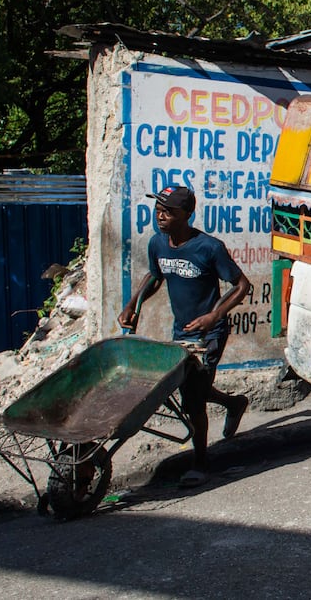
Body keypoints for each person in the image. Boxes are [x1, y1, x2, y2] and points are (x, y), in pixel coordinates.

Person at [117, 186, 252, 487]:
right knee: (193, 391)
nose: (160, 216)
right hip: (182, 330)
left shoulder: (208, 247)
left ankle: (200, 464)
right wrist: (133, 305)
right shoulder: (157, 244)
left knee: (193, 397)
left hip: (209, 332)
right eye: (158, 210)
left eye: (168, 211)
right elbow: (154, 276)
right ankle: (233, 404)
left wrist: (214, 316)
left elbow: (242, 285)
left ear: (186, 215)